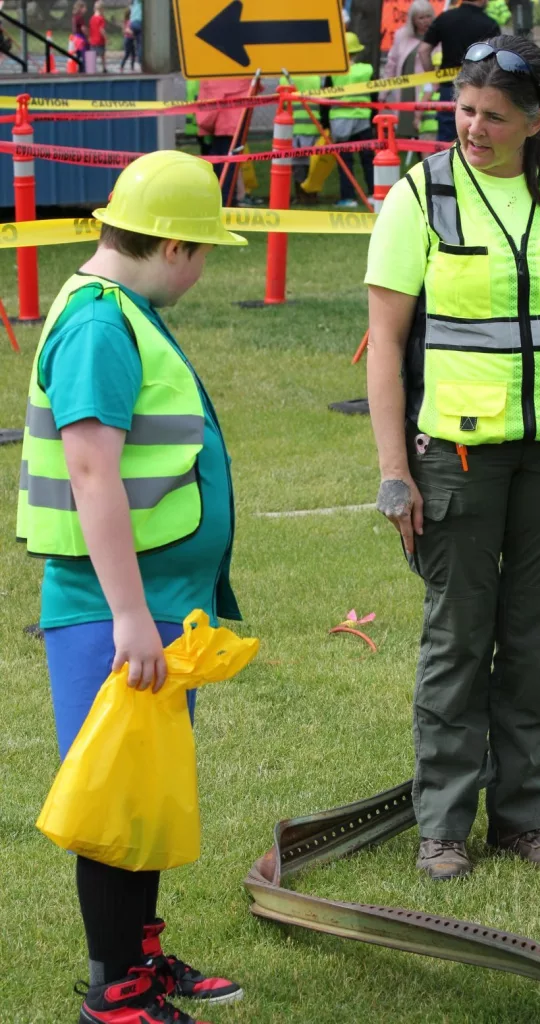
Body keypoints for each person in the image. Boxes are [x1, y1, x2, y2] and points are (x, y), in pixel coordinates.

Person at [365, 36, 540, 882]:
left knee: (531, 647)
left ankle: (523, 821)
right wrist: (393, 470)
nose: (472, 128)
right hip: (454, 459)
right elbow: (385, 344)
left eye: (492, 115)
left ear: (537, 121)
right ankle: (443, 828)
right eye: (463, 110)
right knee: (457, 641)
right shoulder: (419, 195)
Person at [16, 151, 247, 1022]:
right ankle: (113, 991)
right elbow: (91, 473)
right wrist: (128, 615)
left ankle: (138, 959)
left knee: (141, 791)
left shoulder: (121, 313)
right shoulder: (100, 326)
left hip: (152, 606)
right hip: (113, 610)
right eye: (204, 251)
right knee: (115, 800)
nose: (202, 269)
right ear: (175, 247)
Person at [418, 0, 499, 142]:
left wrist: (433, 79)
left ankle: (447, 157)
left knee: (446, 137)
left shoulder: (445, 18)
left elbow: (423, 51)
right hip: (478, 88)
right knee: (476, 136)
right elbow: (495, 58)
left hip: (448, 87)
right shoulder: (489, 24)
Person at [328, 32, 375, 209]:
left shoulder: (333, 72)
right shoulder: (367, 70)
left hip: (340, 121)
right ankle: (373, 193)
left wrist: (325, 123)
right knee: (368, 159)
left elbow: (325, 97)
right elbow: (374, 95)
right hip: (363, 119)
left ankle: (348, 197)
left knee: (345, 162)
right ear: (356, 51)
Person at [381, 0, 435, 137]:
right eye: (421, 18)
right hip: (405, 89)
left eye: (428, 16)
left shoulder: (438, 35)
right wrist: (383, 92)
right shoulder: (401, 35)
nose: (425, 21)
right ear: (413, 20)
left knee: (425, 130)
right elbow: (391, 64)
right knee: (404, 125)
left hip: (428, 90)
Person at [197, 77, 253, 206]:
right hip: (233, 121)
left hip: (220, 122)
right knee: (227, 163)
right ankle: (226, 199)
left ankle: (223, 199)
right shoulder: (238, 78)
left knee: (222, 162)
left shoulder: (215, 77)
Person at [280, 73, 323, 204]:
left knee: (298, 163)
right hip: (313, 125)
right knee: (313, 164)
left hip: (294, 127)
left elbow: (282, 105)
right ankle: (312, 195)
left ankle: (301, 196)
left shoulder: (284, 79)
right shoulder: (316, 78)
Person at [89, 0, 107, 73]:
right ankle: (104, 68)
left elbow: (91, 29)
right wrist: (106, 38)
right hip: (100, 40)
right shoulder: (101, 19)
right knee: (102, 55)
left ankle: (91, 68)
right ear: (102, 9)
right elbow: (101, 30)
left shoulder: (92, 18)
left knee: (94, 55)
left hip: (93, 40)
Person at [120, 8, 135, 72]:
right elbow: (124, 30)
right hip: (127, 39)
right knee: (127, 54)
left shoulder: (131, 21)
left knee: (133, 54)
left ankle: (132, 67)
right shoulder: (126, 21)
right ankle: (121, 66)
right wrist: (129, 31)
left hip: (131, 39)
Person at [129, 0, 143, 69]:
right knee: (140, 43)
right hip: (138, 22)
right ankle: (140, 60)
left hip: (132, 23)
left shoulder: (133, 3)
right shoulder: (139, 2)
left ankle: (134, 60)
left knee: (137, 43)